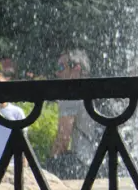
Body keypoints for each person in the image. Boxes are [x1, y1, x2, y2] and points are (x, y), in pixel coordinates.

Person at [48, 50, 100, 179]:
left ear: (76, 69)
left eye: (61, 67)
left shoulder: (71, 96)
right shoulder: (93, 91)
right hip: (99, 160)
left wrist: (49, 164)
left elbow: (63, 139)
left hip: (81, 164)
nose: (57, 73)